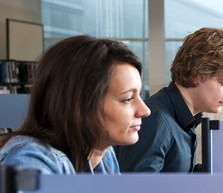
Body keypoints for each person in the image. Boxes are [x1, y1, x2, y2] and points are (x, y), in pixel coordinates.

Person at [0, 35, 150, 174]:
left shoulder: (103, 153)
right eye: (128, 99)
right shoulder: (30, 162)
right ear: (81, 105)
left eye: (139, 95)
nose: (145, 111)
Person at [115, 27, 223, 173]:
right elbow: (138, 191)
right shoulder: (156, 120)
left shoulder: (185, 119)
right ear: (196, 74)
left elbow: (174, 175)